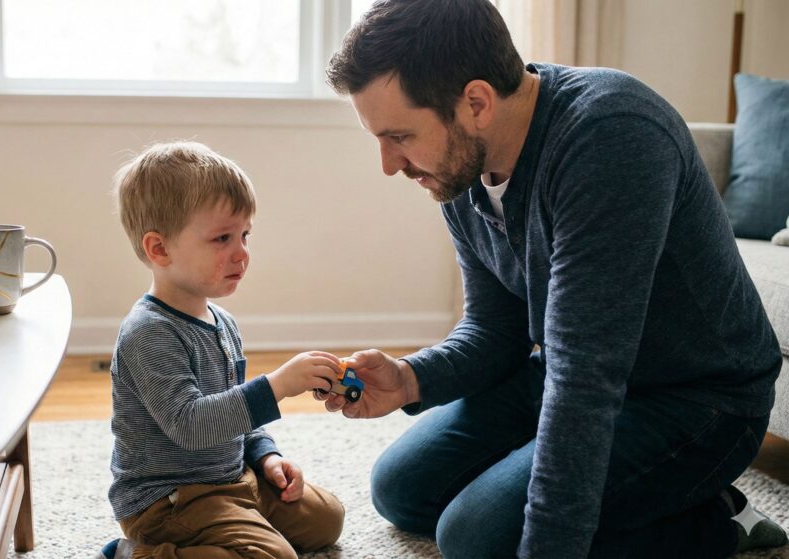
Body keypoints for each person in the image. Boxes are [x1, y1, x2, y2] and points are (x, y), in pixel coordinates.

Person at [317, 1, 787, 558]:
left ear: (476, 102)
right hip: (569, 372)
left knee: (474, 538)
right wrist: (409, 379)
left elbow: (586, 377)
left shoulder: (612, 137)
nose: (389, 164)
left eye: (399, 136)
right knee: (403, 489)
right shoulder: (461, 167)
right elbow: (496, 331)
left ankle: (715, 521)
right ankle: (658, 500)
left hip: (698, 400)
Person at [96, 141, 346, 559]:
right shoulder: (149, 333)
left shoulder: (222, 322)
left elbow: (236, 413)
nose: (241, 253)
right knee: (274, 557)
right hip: (169, 500)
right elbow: (192, 426)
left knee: (327, 519)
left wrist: (266, 457)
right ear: (159, 249)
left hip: (232, 478)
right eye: (222, 238)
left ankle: (240, 517)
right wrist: (278, 386)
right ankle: (135, 553)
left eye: (245, 234)